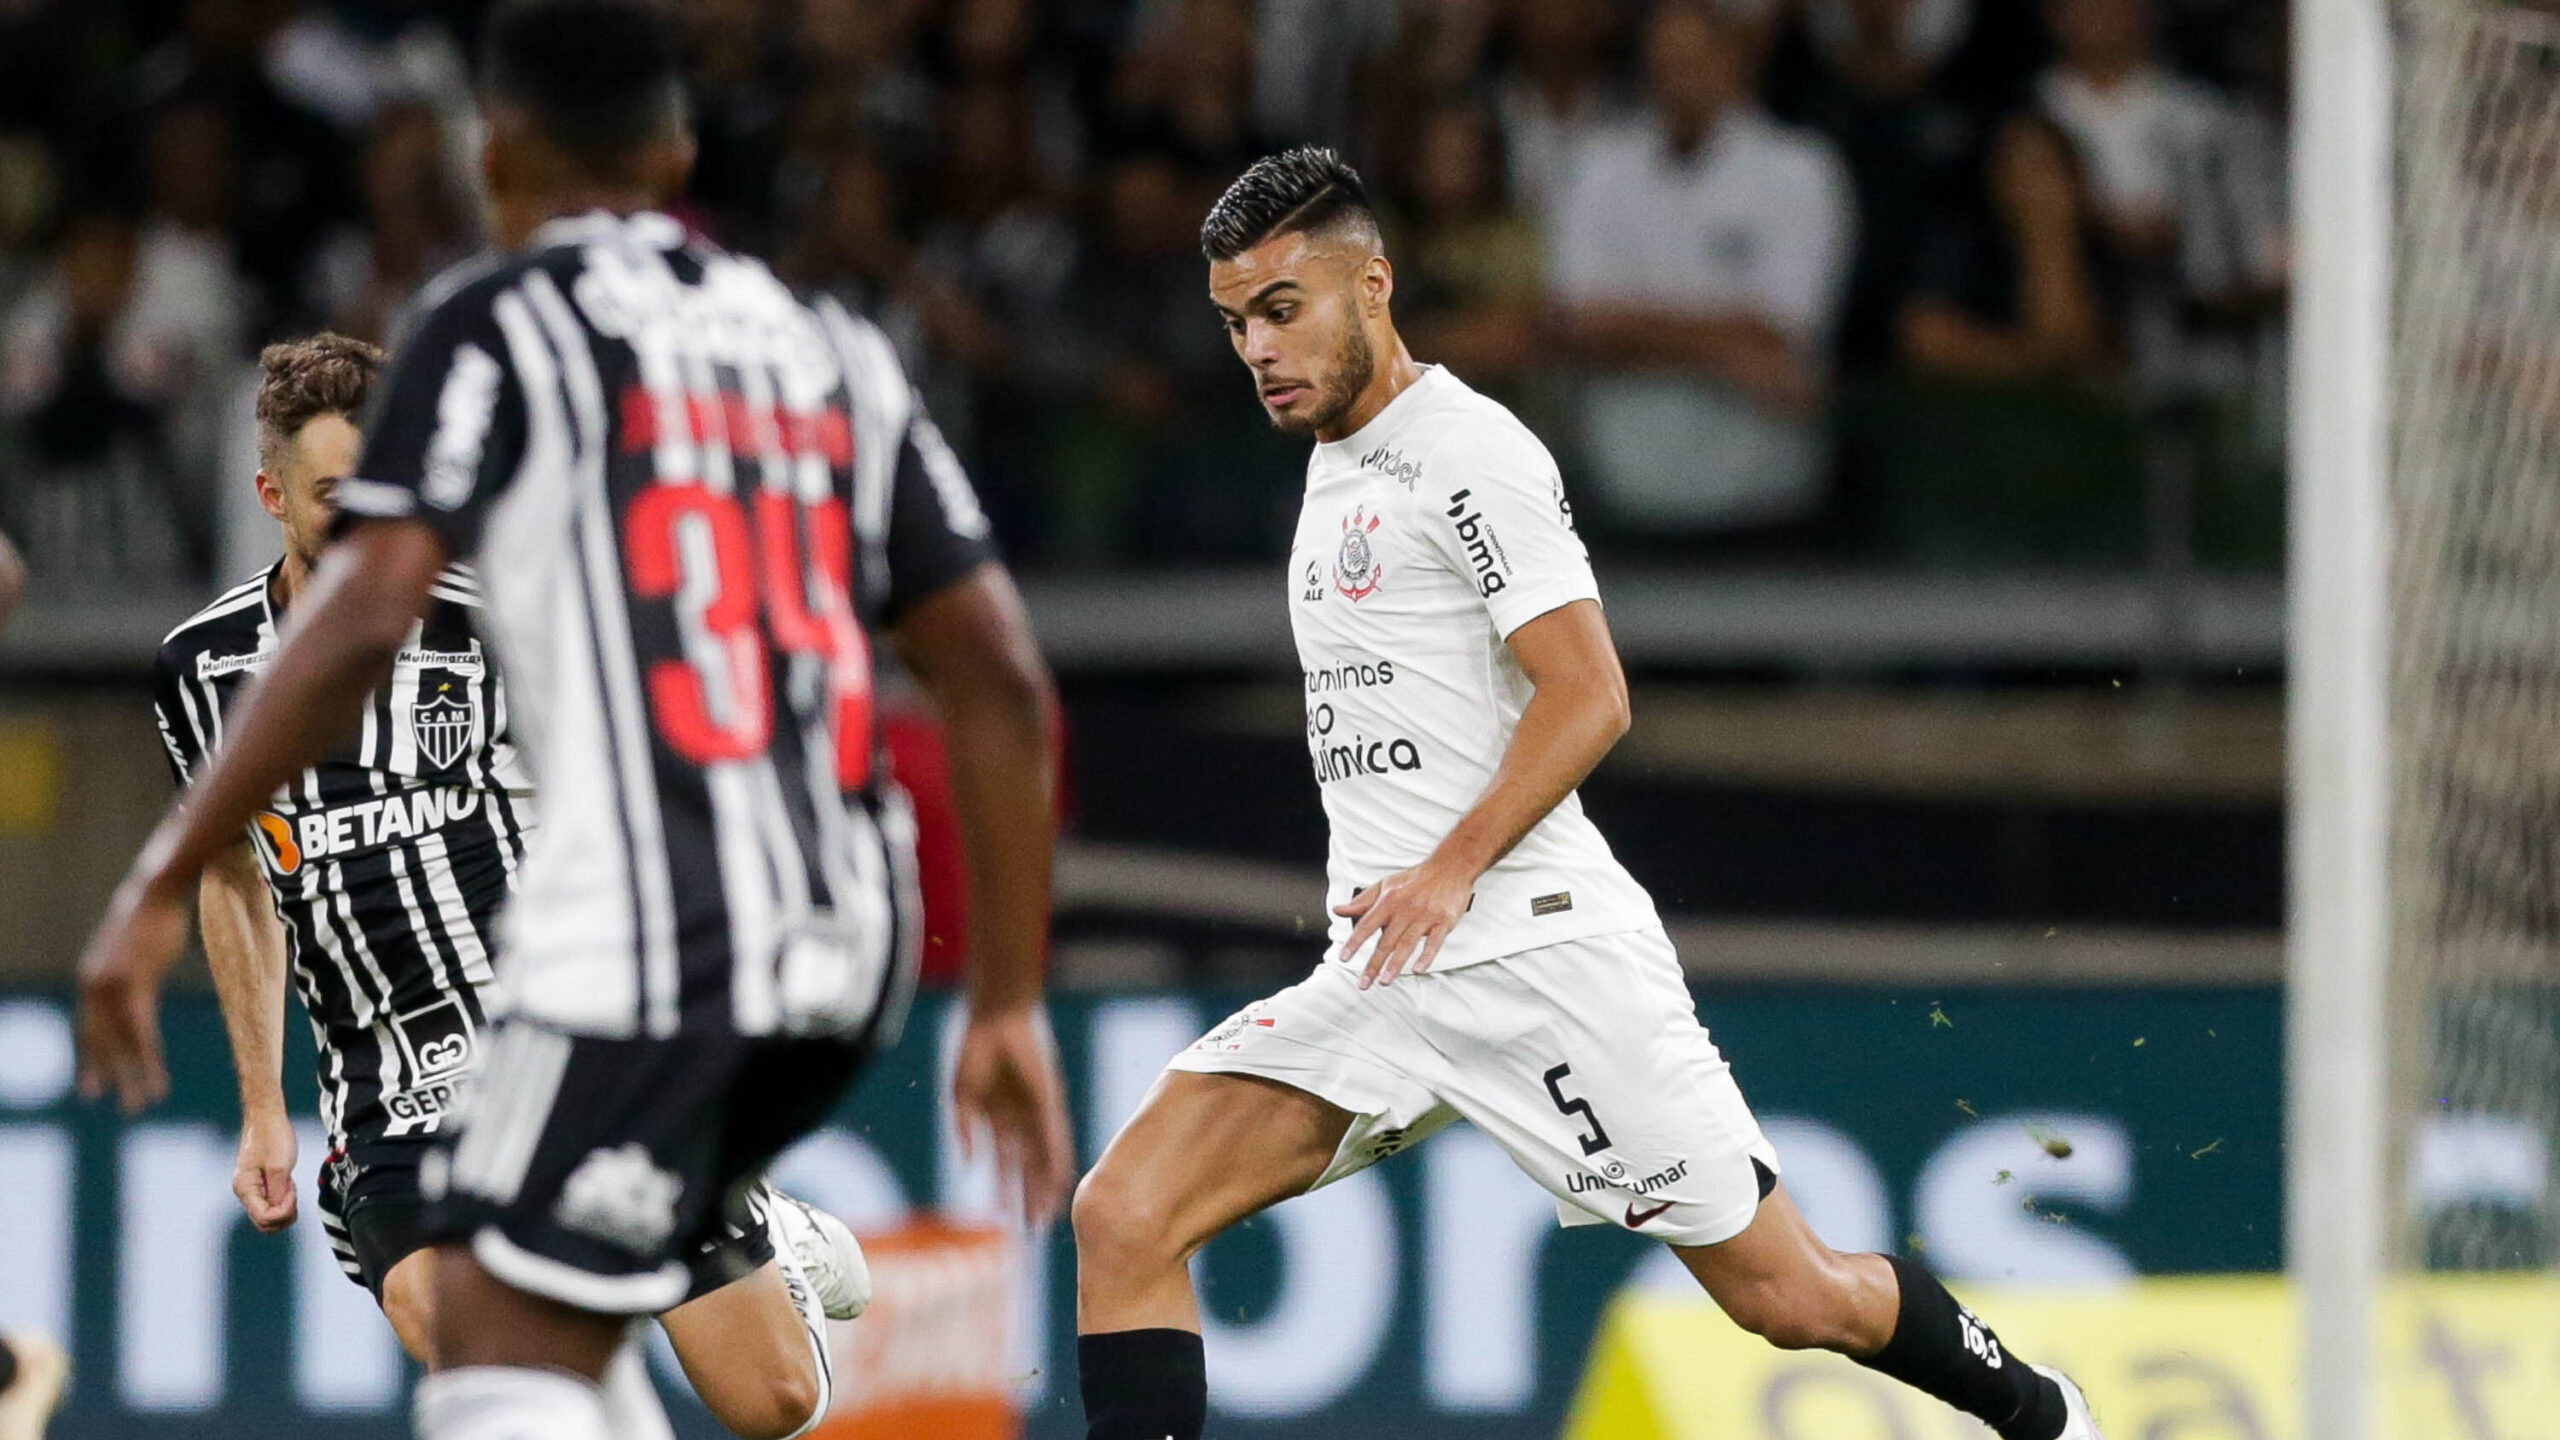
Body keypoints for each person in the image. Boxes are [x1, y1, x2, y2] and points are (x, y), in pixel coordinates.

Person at [73, 7, 1075, 1440]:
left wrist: (150, 887)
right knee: (753, 1398)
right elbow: (1002, 685)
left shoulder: (496, 332)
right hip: (820, 940)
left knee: (510, 1375)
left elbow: (366, 617)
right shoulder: (835, 345)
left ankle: (722, 1215)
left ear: (497, 155)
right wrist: (1012, 998)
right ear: (675, 147)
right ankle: (711, 1200)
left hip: (600, 986)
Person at [1069, 147, 2106, 1440]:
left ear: (1373, 287)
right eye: (1236, 326)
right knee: (1123, 1213)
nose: (1258, 351)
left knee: (1793, 1297)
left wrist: (1450, 865)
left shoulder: (1468, 451)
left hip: (1533, 955)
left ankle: (2046, 1416)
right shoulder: (1339, 460)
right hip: (1388, 972)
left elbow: (1591, 693)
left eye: (1283, 310)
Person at [148, 333, 871, 1439]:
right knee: (477, 1352)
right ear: (270, 496)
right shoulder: (205, 670)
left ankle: (766, 1218)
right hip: (394, 1084)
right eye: (333, 497)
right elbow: (235, 875)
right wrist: (261, 1106)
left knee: (768, 1404)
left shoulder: (499, 617)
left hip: (569, 1043)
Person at [1543, 0, 1855, 534]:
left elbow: (1782, 340)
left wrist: (1633, 334)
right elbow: (1578, 326)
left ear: (1734, 60)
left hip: (1768, 506)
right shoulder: (1598, 168)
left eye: (1694, 58)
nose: (1677, 76)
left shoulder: (1801, 172)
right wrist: (1730, 353)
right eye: (1663, 60)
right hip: (1619, 506)